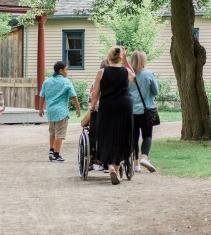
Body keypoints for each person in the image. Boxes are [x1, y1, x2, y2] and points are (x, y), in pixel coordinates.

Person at [89, 46, 135, 184]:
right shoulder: (126, 71)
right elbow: (135, 77)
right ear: (120, 57)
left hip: (107, 106)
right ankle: (116, 166)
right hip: (124, 105)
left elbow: (95, 93)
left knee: (107, 134)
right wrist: (126, 61)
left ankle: (110, 166)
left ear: (108, 57)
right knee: (123, 134)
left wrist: (92, 107)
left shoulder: (101, 72)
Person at [38, 61, 81, 162]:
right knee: (60, 134)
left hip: (50, 111)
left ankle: (51, 150)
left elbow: (42, 96)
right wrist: (78, 109)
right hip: (61, 112)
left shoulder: (47, 81)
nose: (67, 72)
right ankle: (56, 155)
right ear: (60, 71)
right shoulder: (66, 82)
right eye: (66, 70)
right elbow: (73, 96)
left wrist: (40, 109)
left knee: (52, 132)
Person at [128, 50, 159, 173]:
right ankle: (144, 158)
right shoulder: (148, 74)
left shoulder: (128, 74)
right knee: (147, 135)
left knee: (134, 137)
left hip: (132, 111)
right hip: (147, 109)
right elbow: (156, 91)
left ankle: (136, 165)